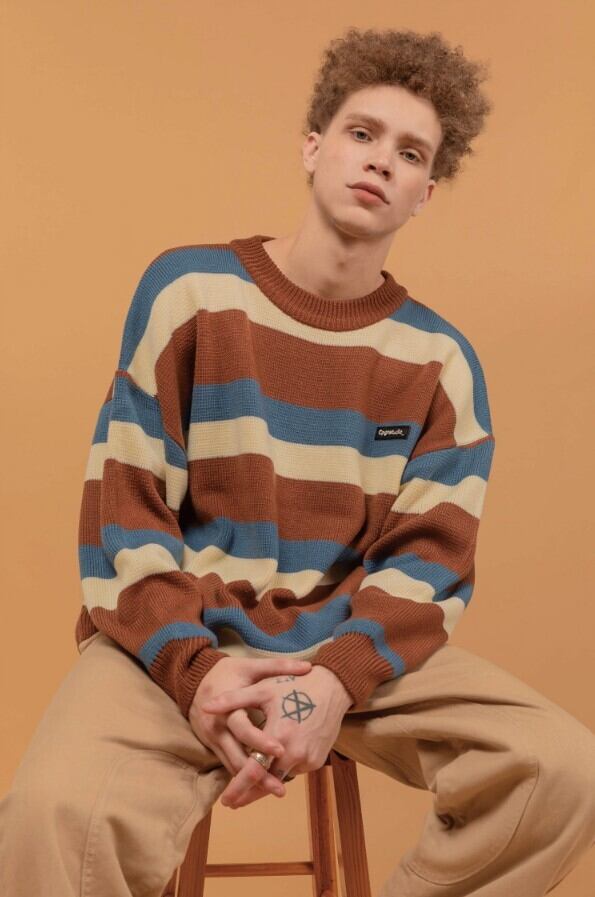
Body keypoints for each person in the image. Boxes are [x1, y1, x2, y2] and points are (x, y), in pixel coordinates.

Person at [2, 25, 595, 897]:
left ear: (425, 192)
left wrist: (333, 682)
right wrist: (195, 672)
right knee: (49, 810)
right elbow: (125, 505)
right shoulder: (188, 293)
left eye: (409, 153)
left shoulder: (441, 363)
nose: (380, 160)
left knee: (562, 770)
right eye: (361, 133)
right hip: (182, 634)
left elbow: (429, 563)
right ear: (313, 147)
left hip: (350, 648)